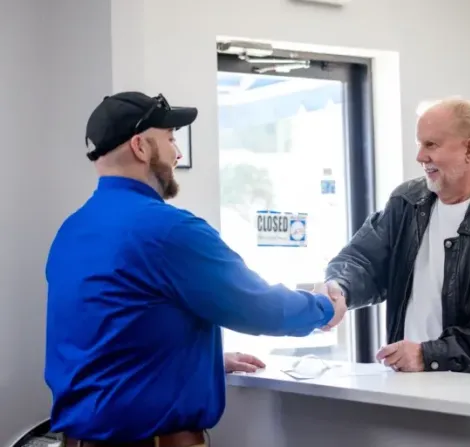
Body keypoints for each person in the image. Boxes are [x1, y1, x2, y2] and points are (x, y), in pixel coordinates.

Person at [44, 91, 346, 447]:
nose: (178, 153)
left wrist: (197, 362)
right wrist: (324, 307)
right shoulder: (167, 230)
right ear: (140, 147)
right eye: (170, 139)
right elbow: (258, 307)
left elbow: (107, 334)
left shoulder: (71, 230)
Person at [324, 97, 470, 377]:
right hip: (410, 386)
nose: (420, 157)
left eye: (431, 145)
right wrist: (339, 288)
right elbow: (363, 261)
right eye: (420, 144)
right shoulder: (406, 202)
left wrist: (429, 355)